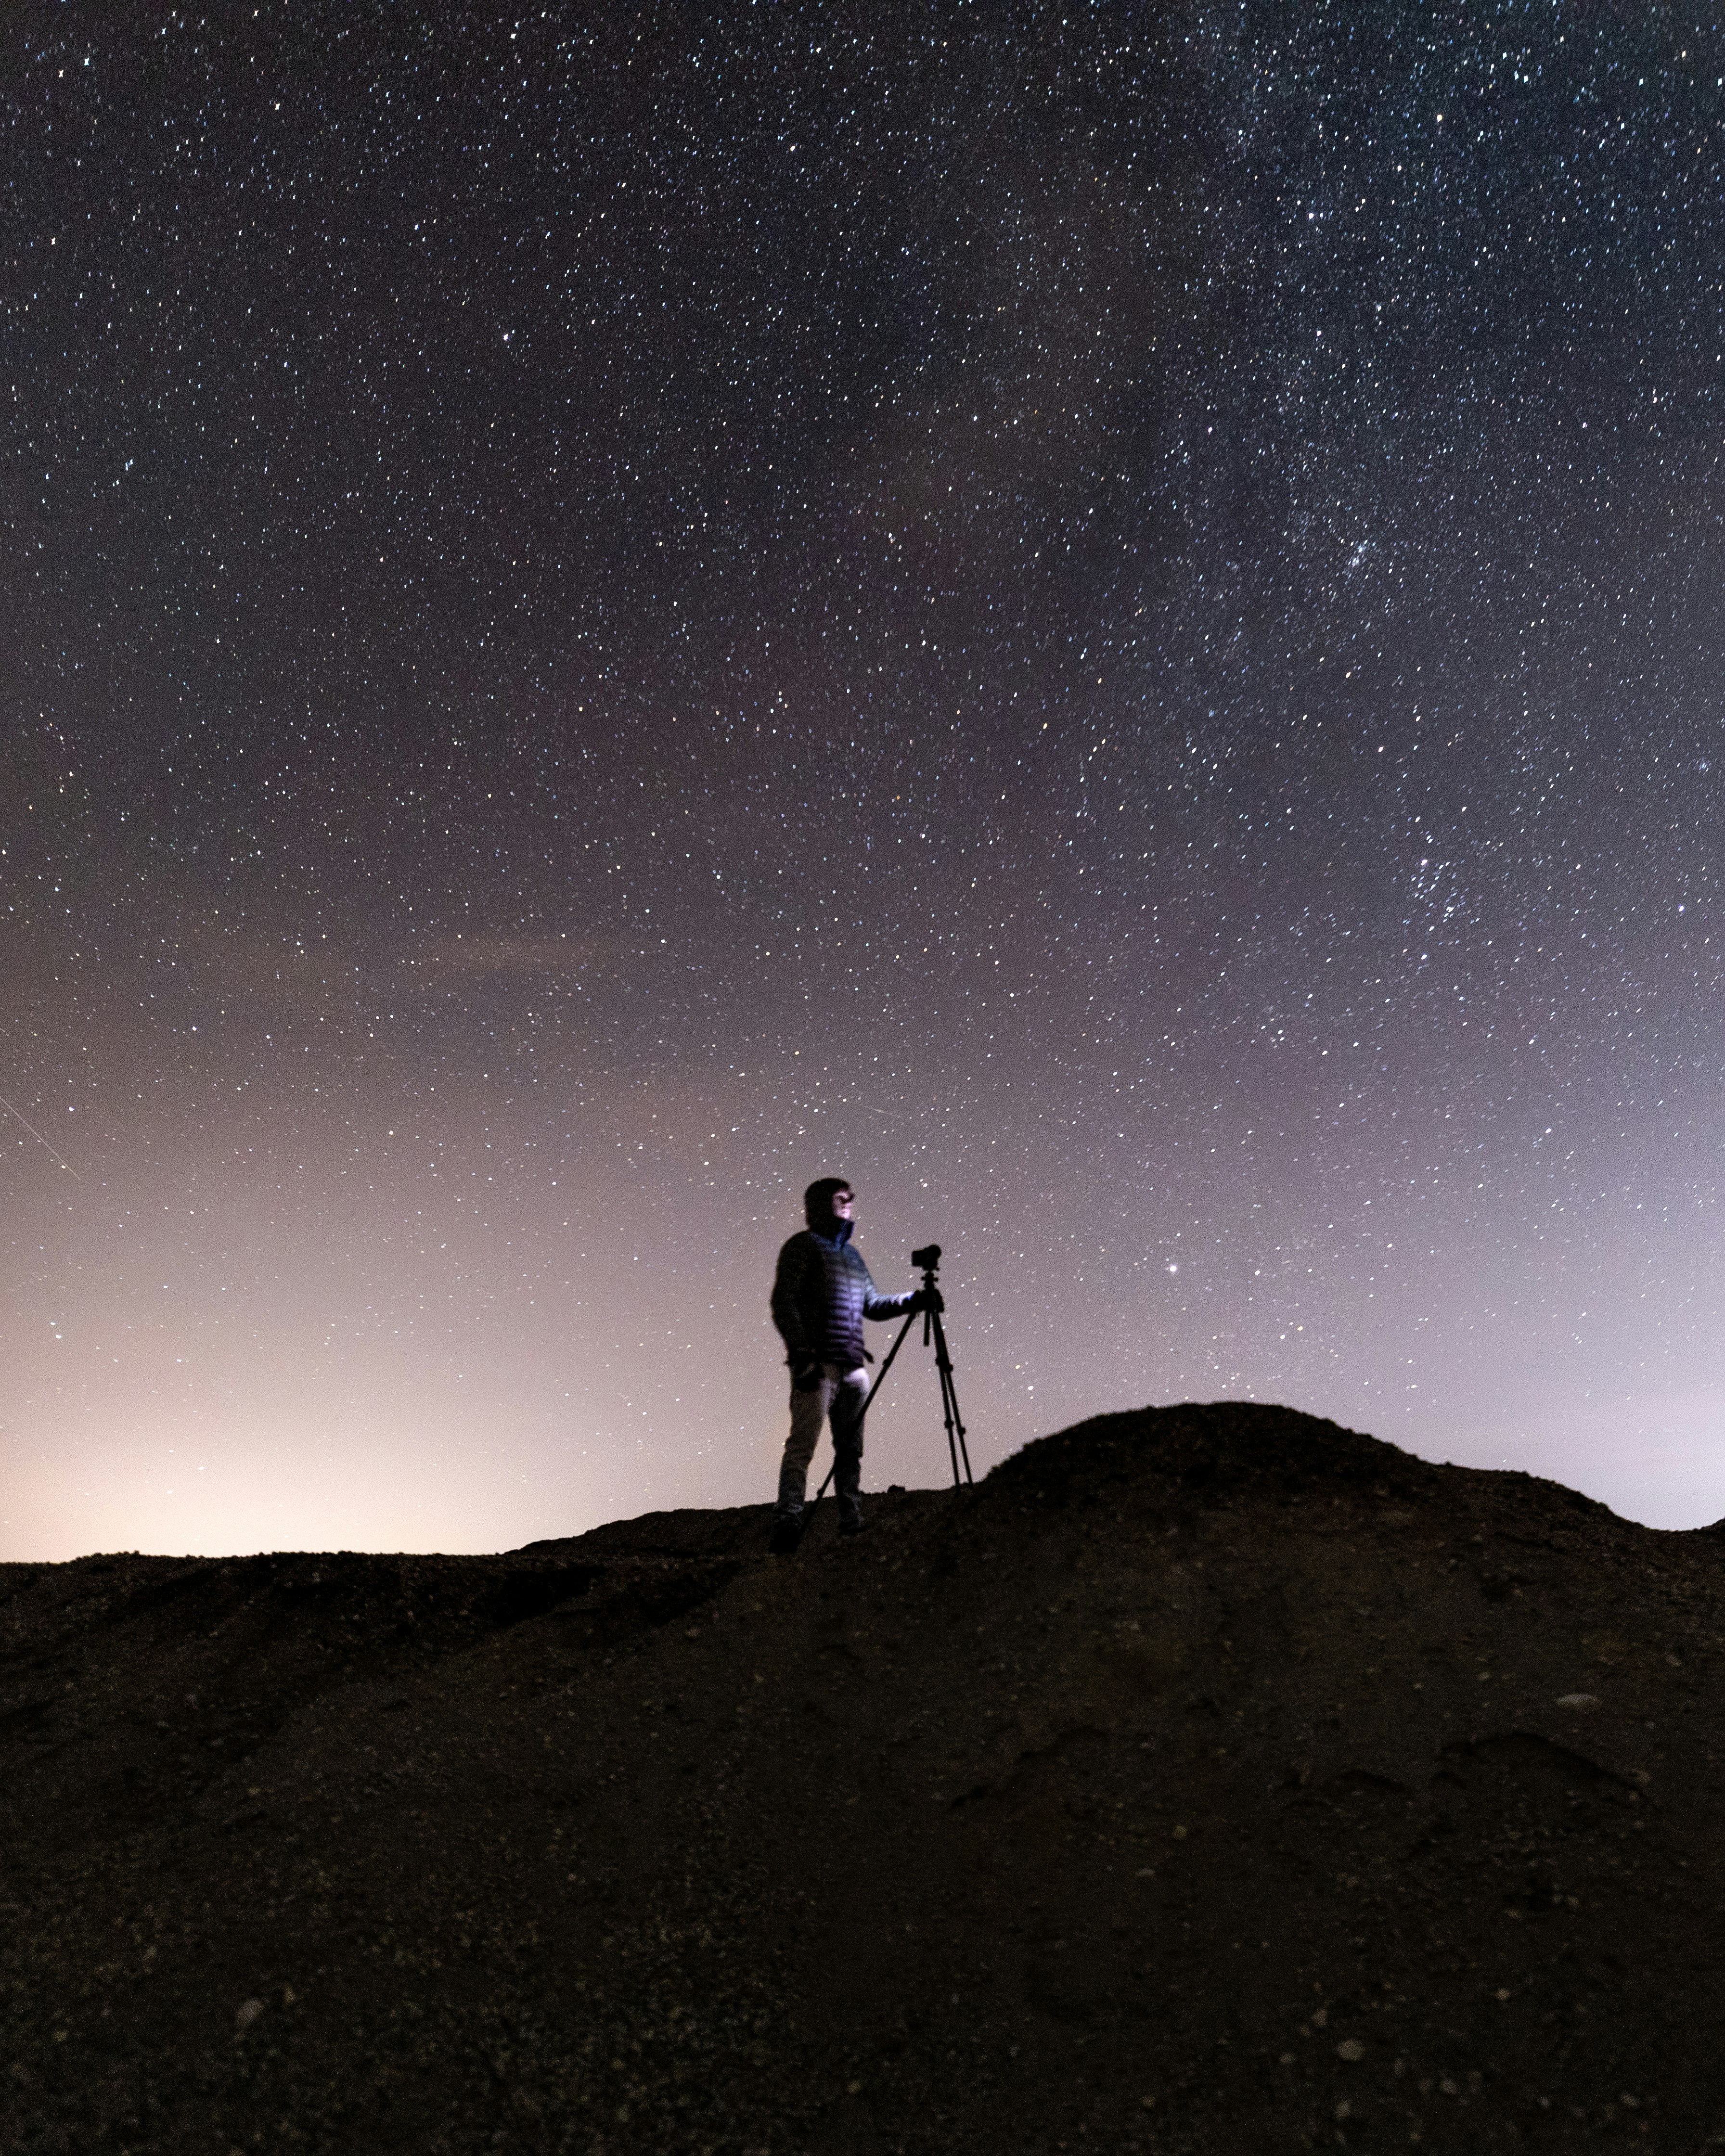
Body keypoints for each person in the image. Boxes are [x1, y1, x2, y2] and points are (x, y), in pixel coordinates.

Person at [767, 1176, 937, 1552]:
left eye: (849, 1197)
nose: (850, 1201)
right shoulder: (802, 1247)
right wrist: (802, 1355)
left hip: (852, 1368)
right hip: (818, 1367)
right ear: (822, 1203)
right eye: (841, 1197)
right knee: (803, 1447)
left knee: (850, 1449)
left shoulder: (853, 1256)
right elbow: (784, 1301)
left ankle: (850, 1520)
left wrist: (913, 1299)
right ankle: (788, 1521)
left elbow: (872, 1306)